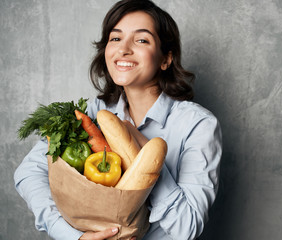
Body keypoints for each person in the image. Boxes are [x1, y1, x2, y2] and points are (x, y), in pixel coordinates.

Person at [14, 0, 222, 239]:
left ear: (166, 59)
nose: (123, 49)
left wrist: (144, 155)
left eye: (141, 40)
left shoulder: (198, 125)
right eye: (115, 38)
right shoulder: (93, 112)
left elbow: (188, 227)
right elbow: (28, 172)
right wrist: (72, 236)